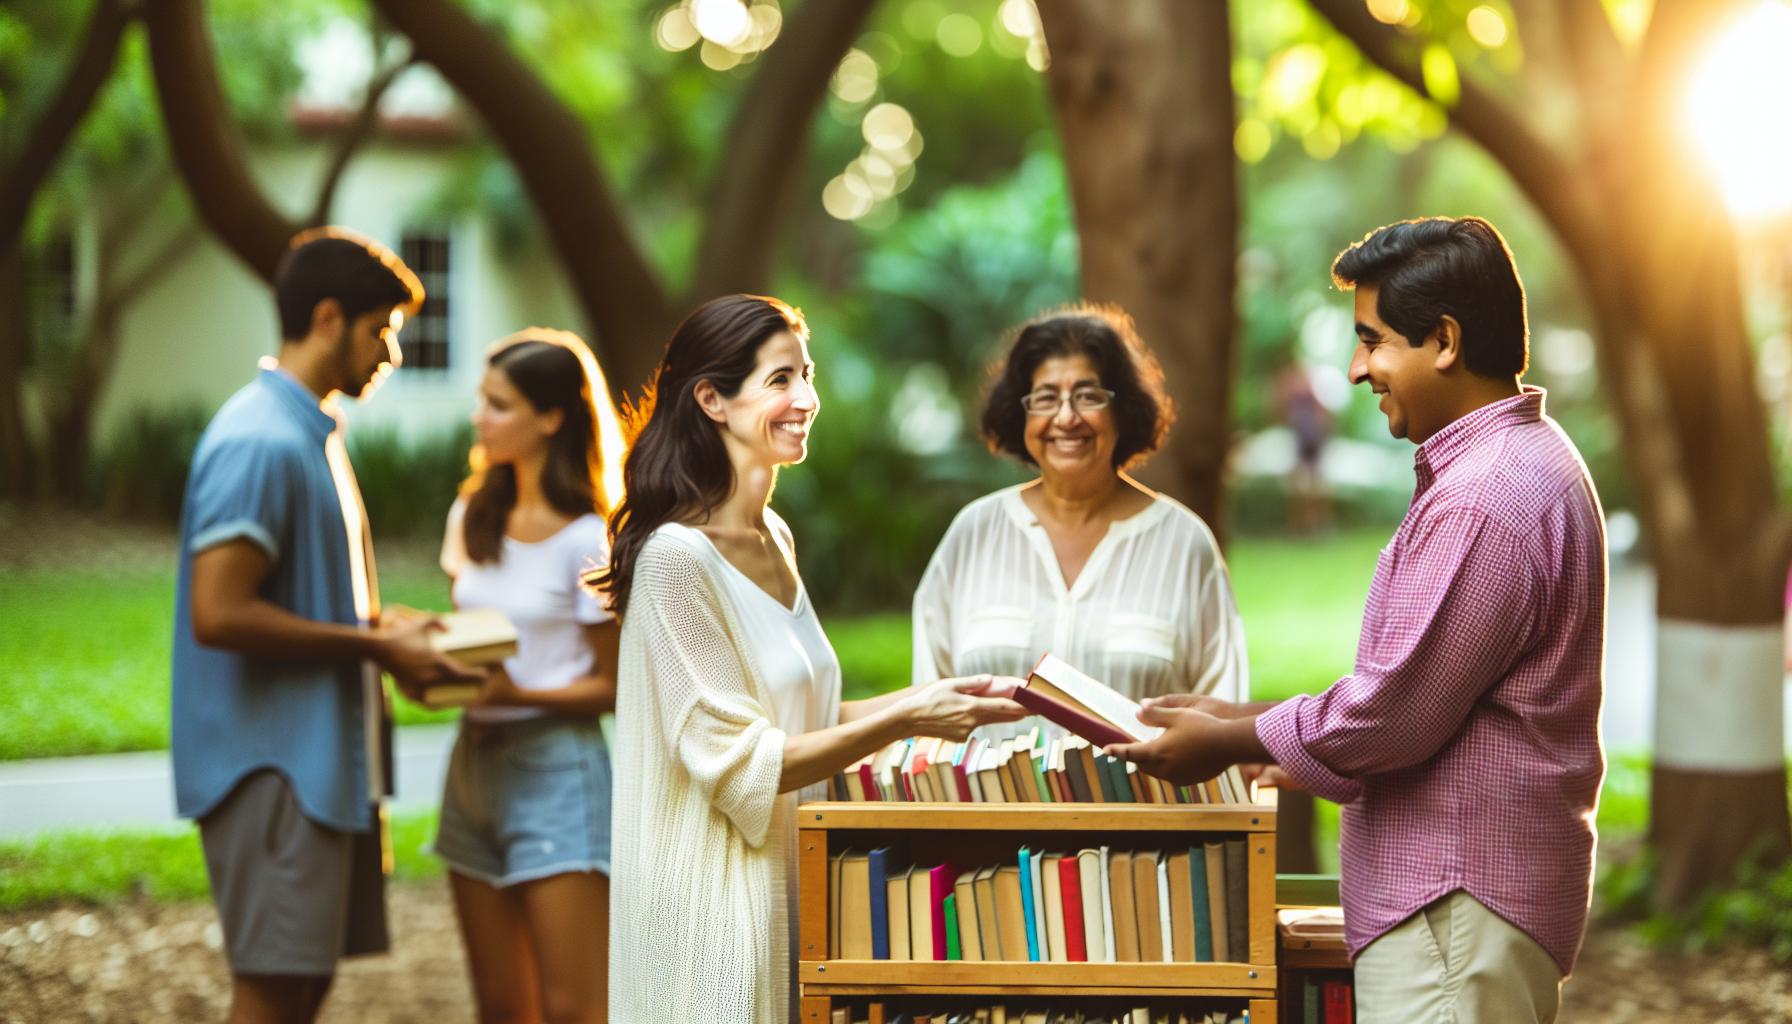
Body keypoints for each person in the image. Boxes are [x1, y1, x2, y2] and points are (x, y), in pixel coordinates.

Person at [1107, 217, 1606, 1023]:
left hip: (1452, 905)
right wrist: (1243, 719)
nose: (1356, 368)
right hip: (1463, 908)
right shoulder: (1517, 463)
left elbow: (1392, 717)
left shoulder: (1484, 497)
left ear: (1444, 341)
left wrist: (1230, 741)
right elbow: (1428, 692)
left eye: (1372, 340)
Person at [591, 294, 1028, 1022]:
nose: (806, 399)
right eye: (780, 380)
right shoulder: (675, 560)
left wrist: (940, 697)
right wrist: (909, 718)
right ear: (712, 400)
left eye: (807, 375)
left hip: (798, 889)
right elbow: (741, 764)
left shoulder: (775, 536)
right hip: (715, 914)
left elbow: (806, 717)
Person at [171, 227, 482, 1024]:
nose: (392, 354)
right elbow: (219, 611)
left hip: (319, 771)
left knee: (303, 989)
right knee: (272, 993)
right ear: (328, 318)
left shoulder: (312, 431)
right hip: (274, 774)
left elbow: (303, 599)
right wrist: (376, 645)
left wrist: (392, 631)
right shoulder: (259, 439)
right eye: (382, 330)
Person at [912, 304, 1247, 714]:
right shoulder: (974, 533)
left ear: (1122, 411)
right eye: (1046, 398)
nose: (1067, 417)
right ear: (1020, 413)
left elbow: (1221, 708)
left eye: (1088, 397)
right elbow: (927, 704)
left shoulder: (1183, 541)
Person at [431, 329, 626, 1024]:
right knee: (500, 1007)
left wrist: (520, 693)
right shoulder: (471, 515)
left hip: (558, 773)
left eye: (499, 405)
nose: (479, 417)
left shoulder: (588, 538)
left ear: (550, 418)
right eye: (482, 401)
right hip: (471, 768)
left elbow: (617, 687)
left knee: (574, 1008)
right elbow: (471, 632)